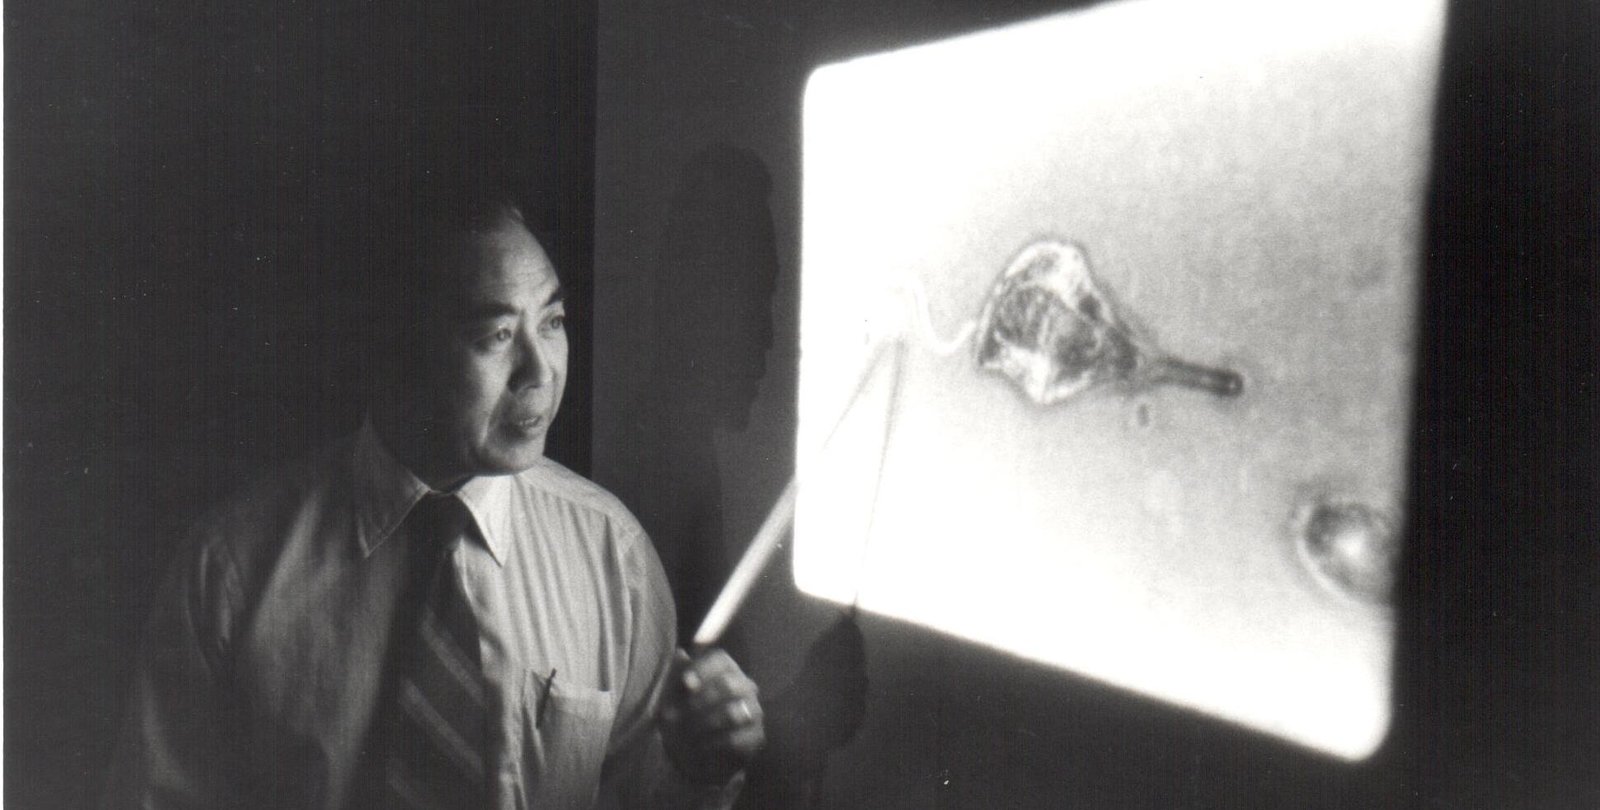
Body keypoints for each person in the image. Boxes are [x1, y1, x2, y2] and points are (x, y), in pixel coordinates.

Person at [102, 180, 766, 809]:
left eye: (554, 321)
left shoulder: (611, 555)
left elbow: (651, 798)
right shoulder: (233, 571)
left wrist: (700, 766)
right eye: (497, 336)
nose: (541, 371)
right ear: (395, 348)